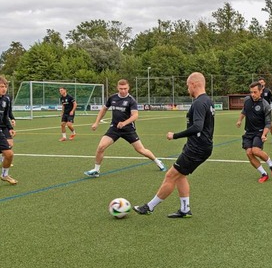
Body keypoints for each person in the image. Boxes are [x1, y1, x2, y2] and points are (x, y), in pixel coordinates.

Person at [134, 72, 215, 218]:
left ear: (194, 84)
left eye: (187, 86)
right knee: (180, 175)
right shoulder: (208, 101)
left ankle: (149, 207)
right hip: (199, 146)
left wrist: (174, 135)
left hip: (197, 148)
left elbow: (197, 127)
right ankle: (185, 210)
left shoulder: (198, 103)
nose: (187, 89)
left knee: (171, 175)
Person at [83, 79, 166, 177]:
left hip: (128, 130)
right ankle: (96, 170)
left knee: (141, 150)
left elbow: (135, 115)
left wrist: (124, 123)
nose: (123, 91)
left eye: (125, 88)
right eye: (121, 89)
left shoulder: (131, 100)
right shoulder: (112, 98)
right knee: (101, 147)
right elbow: (104, 109)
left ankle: (157, 161)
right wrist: (96, 122)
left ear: (128, 88)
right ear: (117, 88)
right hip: (114, 128)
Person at [236, 81, 272, 182]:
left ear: (260, 91)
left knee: (256, 150)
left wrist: (264, 134)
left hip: (259, 131)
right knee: (249, 153)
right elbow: (244, 111)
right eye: (251, 92)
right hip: (248, 132)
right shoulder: (247, 100)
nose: (252, 94)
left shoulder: (265, 105)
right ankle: (264, 174)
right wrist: (239, 120)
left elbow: (268, 123)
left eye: (255, 92)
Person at [258, 77, 272, 144]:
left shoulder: (267, 91)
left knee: (270, 124)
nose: (261, 83)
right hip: (259, 110)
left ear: (264, 83)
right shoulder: (257, 91)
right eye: (260, 83)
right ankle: (261, 137)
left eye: (262, 82)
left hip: (267, 110)